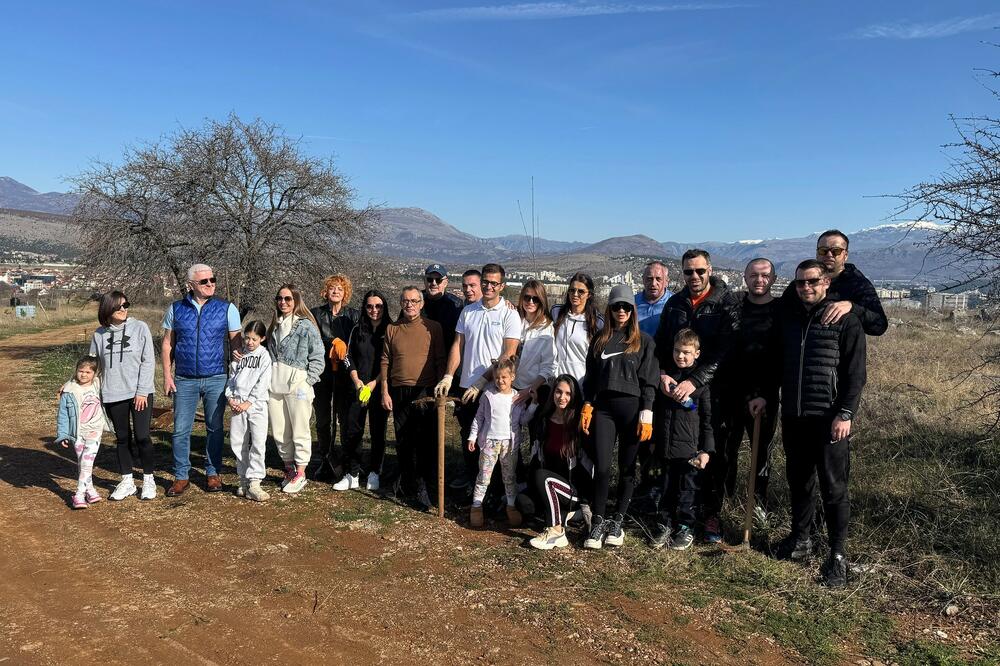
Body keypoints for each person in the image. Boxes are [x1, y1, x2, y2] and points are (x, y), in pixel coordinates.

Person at [759, 259, 866, 588]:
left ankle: (836, 555)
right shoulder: (788, 319)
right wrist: (764, 394)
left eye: (813, 282)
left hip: (829, 419)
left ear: (826, 283)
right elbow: (774, 363)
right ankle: (801, 539)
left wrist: (845, 413)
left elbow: (855, 374)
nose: (806, 288)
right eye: (801, 283)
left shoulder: (844, 320)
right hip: (794, 415)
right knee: (800, 482)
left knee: (834, 488)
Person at [653, 249, 739, 543]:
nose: (694, 277)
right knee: (675, 456)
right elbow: (664, 344)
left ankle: (710, 514)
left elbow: (726, 349)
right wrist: (663, 373)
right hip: (676, 389)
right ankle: (672, 515)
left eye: (700, 271)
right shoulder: (676, 303)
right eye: (689, 272)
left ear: (710, 270)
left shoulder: (725, 303)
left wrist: (696, 379)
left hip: (714, 390)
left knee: (713, 451)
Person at [580, 284, 658, 550]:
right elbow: (590, 379)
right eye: (616, 306)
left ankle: (618, 522)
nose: (621, 311)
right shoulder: (600, 340)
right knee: (602, 467)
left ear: (632, 310)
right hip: (603, 410)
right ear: (610, 309)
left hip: (633, 411)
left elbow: (649, 381)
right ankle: (598, 521)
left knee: (627, 469)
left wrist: (646, 414)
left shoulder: (644, 341)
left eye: (626, 306)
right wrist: (587, 404)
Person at [435, 263, 521, 493]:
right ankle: (474, 488)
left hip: (495, 388)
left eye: (494, 283)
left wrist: (483, 380)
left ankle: (497, 493)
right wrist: (448, 375)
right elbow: (457, 345)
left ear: (502, 285)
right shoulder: (468, 311)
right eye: (486, 282)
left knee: (494, 440)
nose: (489, 286)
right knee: (470, 437)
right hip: (467, 388)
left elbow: (509, 353)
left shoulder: (509, 314)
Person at [161, 263, 242, 497]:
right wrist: (167, 375)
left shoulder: (227, 308)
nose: (210, 284)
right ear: (191, 285)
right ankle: (181, 476)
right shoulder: (175, 309)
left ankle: (213, 473)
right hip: (184, 379)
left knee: (215, 428)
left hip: (217, 376)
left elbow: (237, 344)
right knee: (180, 430)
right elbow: (167, 344)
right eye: (204, 281)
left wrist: (238, 377)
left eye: (212, 280)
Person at [712, 258, 781, 524]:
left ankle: (758, 504)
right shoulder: (735, 305)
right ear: (745, 277)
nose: (759, 280)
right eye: (753, 275)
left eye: (764, 275)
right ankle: (724, 500)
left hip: (764, 397)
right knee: (726, 450)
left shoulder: (780, 310)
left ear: (773, 278)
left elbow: (781, 358)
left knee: (761, 451)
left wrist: (765, 393)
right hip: (731, 393)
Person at [648, 329, 714, 551]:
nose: (681, 356)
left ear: (696, 353)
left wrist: (706, 450)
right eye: (677, 351)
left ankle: (686, 527)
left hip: (690, 451)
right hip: (665, 447)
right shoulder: (666, 380)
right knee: (664, 488)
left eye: (686, 352)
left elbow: (707, 420)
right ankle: (664, 525)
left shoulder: (700, 385)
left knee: (688, 491)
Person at [382, 287, 447, 509]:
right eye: (405, 301)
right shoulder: (393, 329)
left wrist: (440, 389)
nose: (409, 304)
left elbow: (440, 359)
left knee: (425, 441)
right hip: (399, 389)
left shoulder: (433, 328)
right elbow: (385, 360)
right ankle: (406, 483)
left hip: (425, 390)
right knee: (403, 439)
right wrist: (384, 390)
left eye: (414, 301)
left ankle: (423, 485)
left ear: (421, 304)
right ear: (400, 303)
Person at [89, 291, 157, 502]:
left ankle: (148, 479)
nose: (124, 309)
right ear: (108, 309)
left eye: (126, 304)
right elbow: (92, 366)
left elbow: (148, 361)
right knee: (122, 438)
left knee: (143, 436)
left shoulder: (140, 328)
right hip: (112, 393)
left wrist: (142, 391)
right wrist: (73, 383)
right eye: (119, 306)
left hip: (140, 393)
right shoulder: (99, 335)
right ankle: (127, 481)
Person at [267, 284, 326, 495]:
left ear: (296, 301)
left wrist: (307, 381)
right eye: (280, 298)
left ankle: (301, 471)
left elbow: (318, 356)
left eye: (288, 299)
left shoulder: (305, 326)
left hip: (297, 381)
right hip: (275, 383)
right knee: (280, 429)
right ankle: (289, 468)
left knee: (300, 428)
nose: (283, 302)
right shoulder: (274, 325)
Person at [527, 374, 594, 551]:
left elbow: (588, 466)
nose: (562, 397)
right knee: (525, 504)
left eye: (567, 393)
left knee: (544, 478)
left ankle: (556, 531)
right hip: (549, 488)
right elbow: (536, 456)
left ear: (573, 396)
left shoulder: (578, 424)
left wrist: (586, 501)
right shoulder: (544, 420)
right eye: (558, 392)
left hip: (572, 490)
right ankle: (569, 516)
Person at [781, 229, 888, 337]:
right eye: (823, 251)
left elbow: (880, 326)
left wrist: (852, 307)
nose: (829, 255)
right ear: (817, 253)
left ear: (845, 255)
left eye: (836, 251)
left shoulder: (858, 284)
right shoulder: (802, 282)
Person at [336, 289, 391, 492]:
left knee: (378, 432)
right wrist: (357, 380)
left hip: (379, 387)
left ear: (384, 307)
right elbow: (347, 357)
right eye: (369, 306)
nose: (374, 310)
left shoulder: (390, 330)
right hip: (357, 388)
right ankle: (352, 473)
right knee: (353, 430)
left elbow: (389, 361)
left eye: (378, 306)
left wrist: (374, 383)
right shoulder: (357, 329)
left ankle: (375, 472)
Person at [467, 357, 528, 528]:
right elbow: (479, 418)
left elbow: (523, 419)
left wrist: (533, 406)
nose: (500, 381)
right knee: (484, 476)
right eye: (497, 378)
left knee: (509, 477)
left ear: (512, 377)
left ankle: (511, 506)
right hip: (489, 443)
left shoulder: (517, 397)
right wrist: (472, 436)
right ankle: (476, 507)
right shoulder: (488, 395)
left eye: (504, 377)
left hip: (509, 444)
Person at [310, 275, 360, 480]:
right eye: (332, 288)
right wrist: (332, 341)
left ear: (345, 292)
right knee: (322, 419)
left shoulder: (353, 316)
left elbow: (357, 341)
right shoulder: (315, 314)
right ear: (326, 291)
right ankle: (326, 457)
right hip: (322, 372)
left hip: (345, 374)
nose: (336, 292)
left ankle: (348, 459)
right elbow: (311, 338)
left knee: (344, 418)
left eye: (340, 288)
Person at [226, 320, 273, 502]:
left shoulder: (264, 356)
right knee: (238, 443)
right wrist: (230, 397)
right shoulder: (239, 356)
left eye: (254, 339)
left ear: (262, 338)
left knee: (258, 443)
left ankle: (255, 482)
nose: (250, 342)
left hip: (257, 405)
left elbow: (263, 383)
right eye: (247, 338)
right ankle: (243, 479)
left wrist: (249, 402)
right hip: (237, 404)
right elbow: (231, 379)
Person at [56, 356, 105, 509]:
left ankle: (78, 494)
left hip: (94, 431)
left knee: (86, 462)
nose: (83, 374)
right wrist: (63, 434)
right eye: (80, 371)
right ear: (76, 371)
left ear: (95, 374)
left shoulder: (98, 385)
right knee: (83, 462)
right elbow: (63, 414)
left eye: (88, 372)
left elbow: (106, 370)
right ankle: (90, 490)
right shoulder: (69, 390)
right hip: (77, 433)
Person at [551, 272, 604, 384]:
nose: (575, 294)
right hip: (558, 384)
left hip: (582, 383)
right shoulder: (556, 312)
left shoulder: (597, 322)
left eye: (581, 291)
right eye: (572, 290)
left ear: (589, 294)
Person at [514, 280, 556, 405]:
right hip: (508, 385)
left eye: (535, 299)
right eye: (527, 297)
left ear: (541, 301)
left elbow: (549, 366)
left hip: (532, 390)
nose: (530, 302)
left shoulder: (547, 329)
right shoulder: (514, 319)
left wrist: (530, 389)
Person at [422, 263, 463, 352]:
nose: (434, 283)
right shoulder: (415, 301)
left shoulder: (455, 305)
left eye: (438, 280)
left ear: (446, 282)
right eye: (430, 279)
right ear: (424, 281)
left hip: (445, 357)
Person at [635, 261, 672, 337]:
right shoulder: (632, 303)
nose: (653, 283)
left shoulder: (675, 303)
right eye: (649, 279)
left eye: (658, 279)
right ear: (643, 280)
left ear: (666, 282)